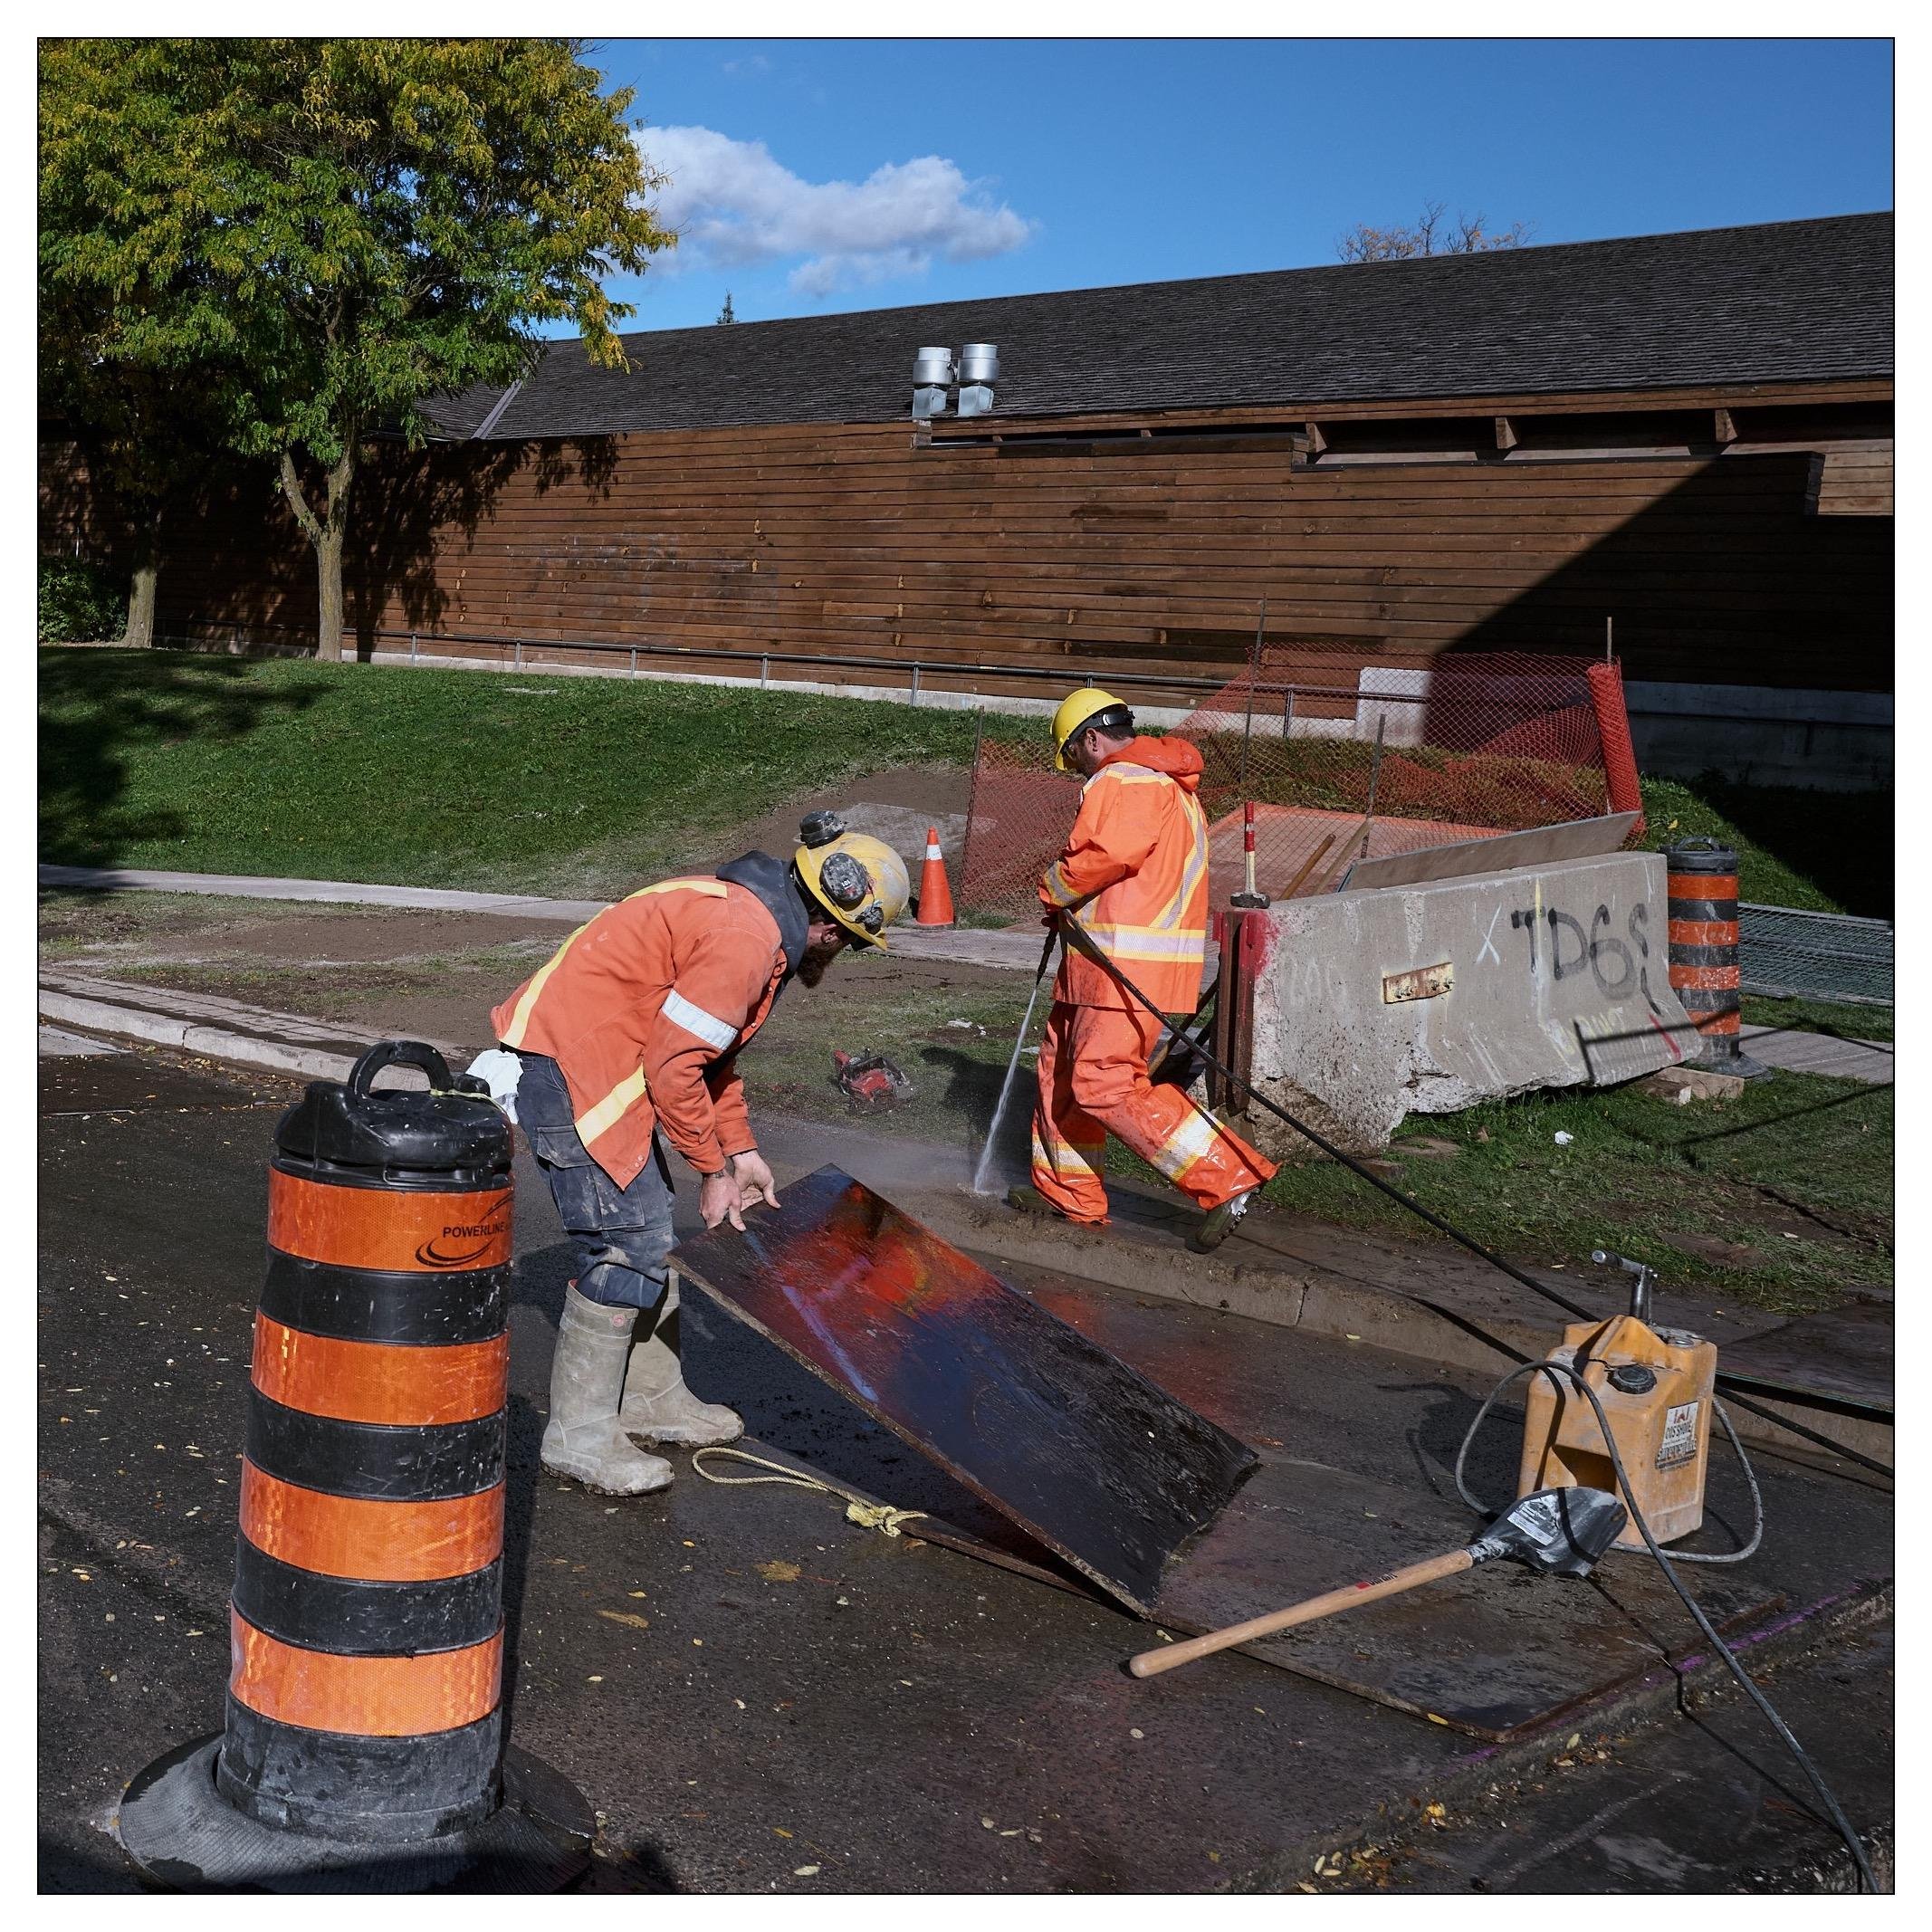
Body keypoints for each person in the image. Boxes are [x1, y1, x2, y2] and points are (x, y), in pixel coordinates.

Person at [470, 812, 909, 1496]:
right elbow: (676, 1066)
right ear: (830, 927)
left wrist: (742, 1150)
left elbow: (711, 1057)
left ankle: (649, 1397)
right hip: (572, 1063)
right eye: (847, 944)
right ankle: (578, 1435)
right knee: (628, 1239)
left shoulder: (754, 919)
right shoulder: (745, 940)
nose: (836, 954)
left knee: (646, 1228)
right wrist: (710, 1169)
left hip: (607, 1053)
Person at [1021, 688, 1277, 1248]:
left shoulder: (1127, 780)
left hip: (1122, 967)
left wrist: (1052, 889)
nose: (1076, 773)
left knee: (1104, 1083)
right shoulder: (1164, 785)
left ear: (1090, 739)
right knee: (1063, 1075)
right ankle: (1071, 1196)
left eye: (1073, 758)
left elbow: (1108, 855)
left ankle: (1230, 1177)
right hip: (1103, 965)